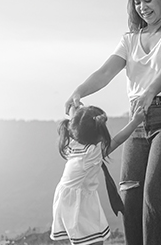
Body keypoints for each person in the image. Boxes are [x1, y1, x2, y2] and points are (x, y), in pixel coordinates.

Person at [63, 0, 161, 244]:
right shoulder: (129, 40)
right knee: (130, 197)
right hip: (138, 122)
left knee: (156, 194)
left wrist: (149, 92)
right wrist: (79, 91)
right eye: (137, 2)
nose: (142, 7)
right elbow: (105, 72)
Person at [51, 105, 143, 245]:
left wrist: (74, 103)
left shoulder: (73, 142)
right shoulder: (91, 153)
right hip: (79, 204)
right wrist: (136, 121)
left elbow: (73, 121)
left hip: (67, 198)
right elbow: (117, 140)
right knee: (92, 240)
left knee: (86, 240)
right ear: (100, 132)